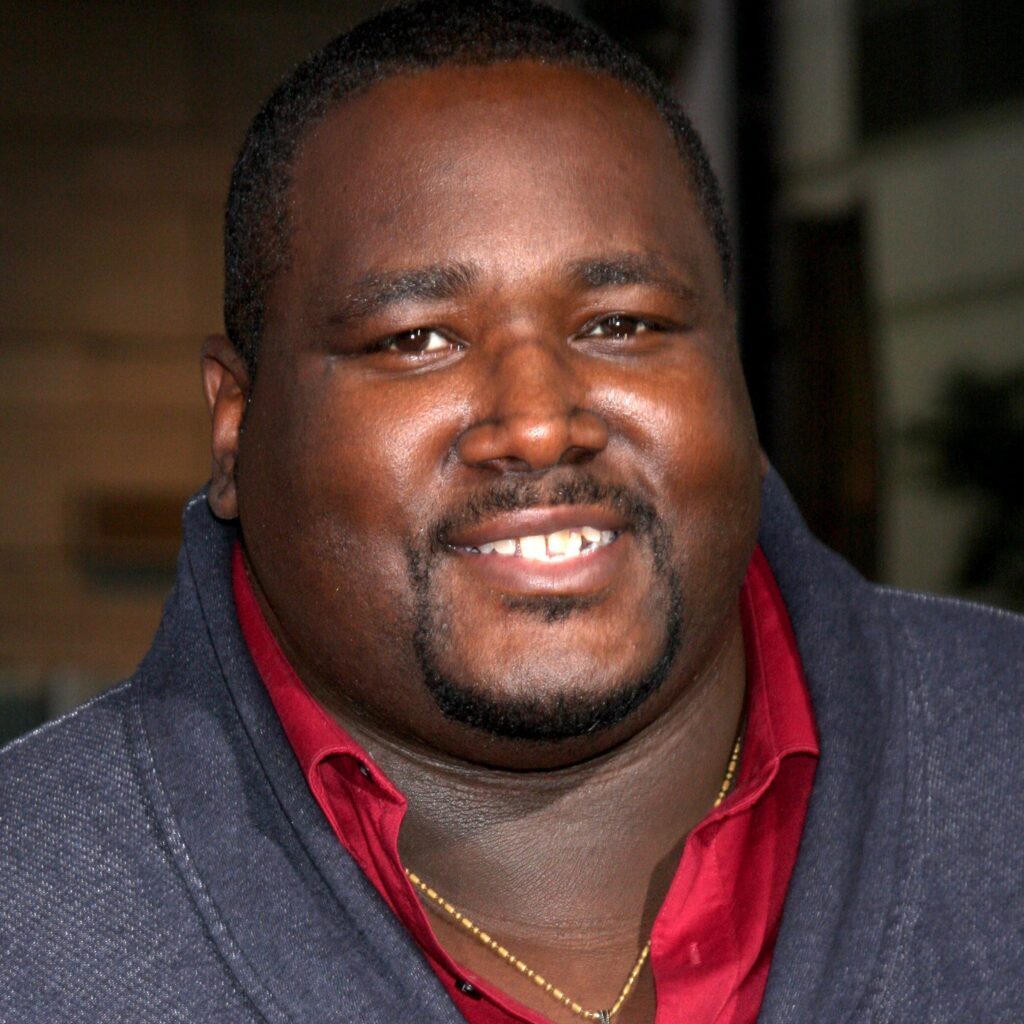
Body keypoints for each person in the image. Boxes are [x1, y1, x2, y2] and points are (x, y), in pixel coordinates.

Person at [1, 2, 1020, 1022]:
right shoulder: (32, 924)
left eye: (621, 324)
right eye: (416, 340)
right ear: (235, 425)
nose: (537, 424)